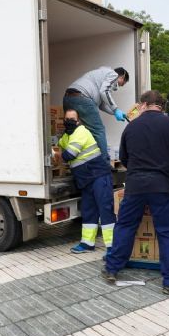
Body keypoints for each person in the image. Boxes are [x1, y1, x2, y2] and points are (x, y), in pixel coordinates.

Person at [103, 90, 169, 294]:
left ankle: (112, 268)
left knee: (125, 225)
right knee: (168, 231)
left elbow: (124, 158)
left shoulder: (132, 126)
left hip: (135, 185)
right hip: (163, 185)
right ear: (160, 106)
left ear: (144, 105)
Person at [59, 109, 116, 257]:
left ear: (79, 121)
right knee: (88, 211)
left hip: (99, 176)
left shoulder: (81, 132)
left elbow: (68, 154)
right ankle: (87, 243)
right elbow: (60, 146)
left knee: (105, 210)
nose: (69, 121)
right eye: (67, 119)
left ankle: (112, 246)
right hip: (86, 180)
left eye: (72, 119)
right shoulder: (66, 136)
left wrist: (58, 154)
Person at [63, 67, 129, 160]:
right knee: (99, 131)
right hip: (82, 97)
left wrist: (115, 112)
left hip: (68, 98)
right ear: (122, 77)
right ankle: (104, 163)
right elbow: (104, 91)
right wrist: (116, 108)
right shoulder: (113, 74)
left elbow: (101, 105)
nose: (120, 86)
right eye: (123, 83)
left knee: (72, 128)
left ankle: (66, 158)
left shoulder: (100, 76)